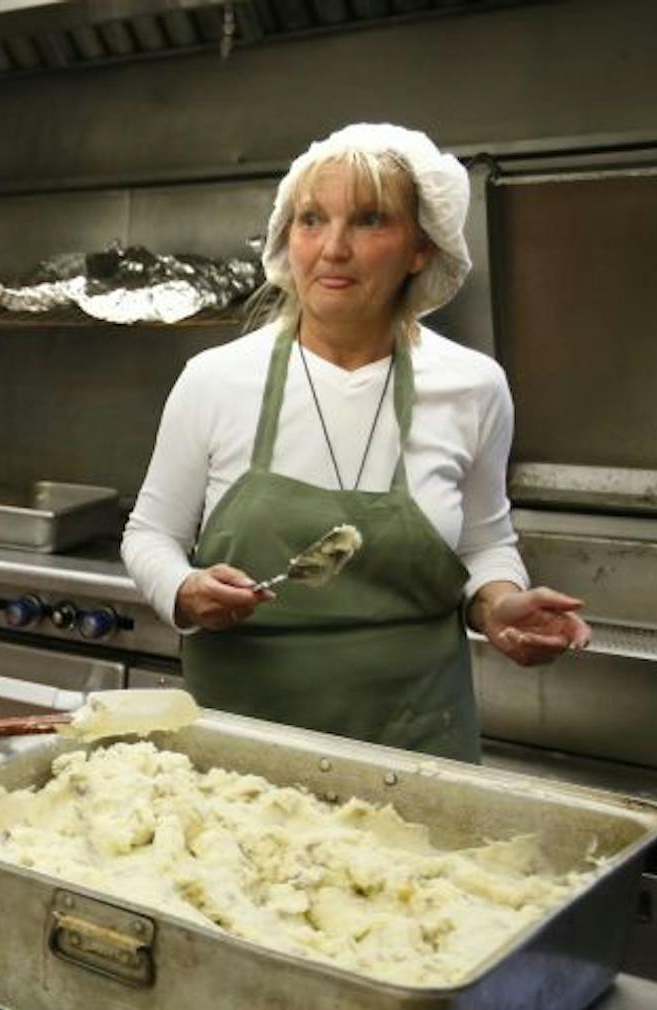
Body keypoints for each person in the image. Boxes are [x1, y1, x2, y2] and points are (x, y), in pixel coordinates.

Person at [121, 123, 589, 762]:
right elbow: (150, 534)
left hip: (416, 746)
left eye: (370, 221)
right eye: (312, 220)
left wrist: (498, 605)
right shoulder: (217, 380)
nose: (333, 248)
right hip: (243, 751)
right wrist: (183, 590)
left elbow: (484, 542)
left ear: (421, 248)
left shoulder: (473, 387)